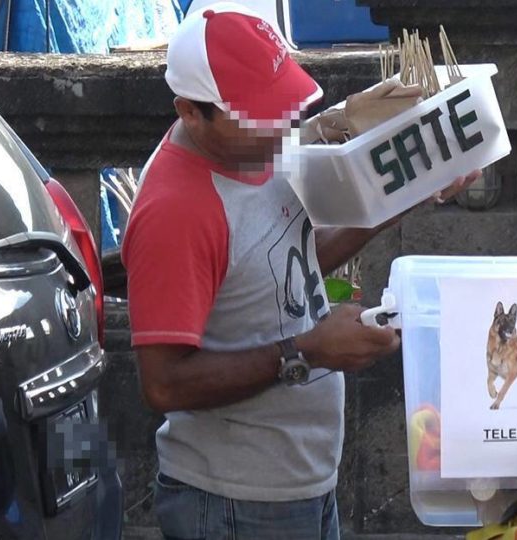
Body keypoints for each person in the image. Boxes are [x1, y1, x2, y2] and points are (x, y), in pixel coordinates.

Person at [121, 2, 479, 539]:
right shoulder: (178, 210)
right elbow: (165, 385)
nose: (283, 128)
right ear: (191, 112)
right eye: (258, 115)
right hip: (234, 505)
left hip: (301, 485)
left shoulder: (255, 150)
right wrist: (306, 351)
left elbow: (287, 263)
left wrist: (412, 188)